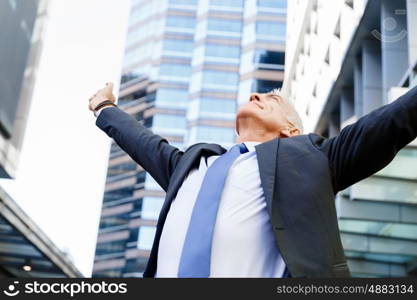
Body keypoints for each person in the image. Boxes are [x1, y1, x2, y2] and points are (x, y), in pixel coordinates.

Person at [88, 82, 417, 278]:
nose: (256, 94)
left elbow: (390, 122)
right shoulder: (192, 164)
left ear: (291, 131)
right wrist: (104, 107)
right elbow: (144, 142)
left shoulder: (314, 159)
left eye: (271, 101)